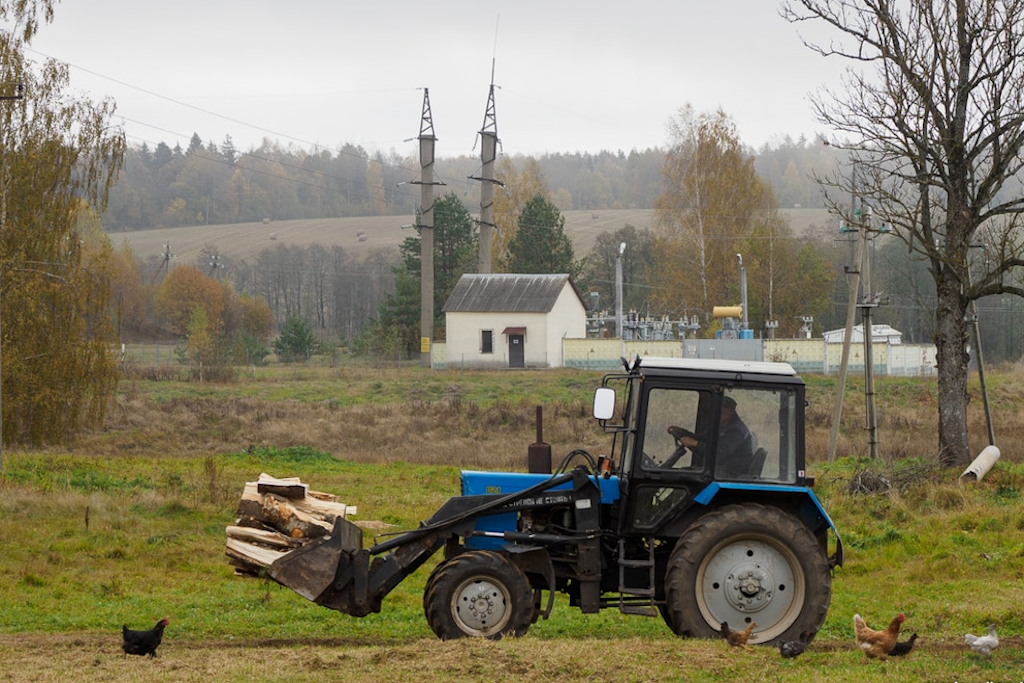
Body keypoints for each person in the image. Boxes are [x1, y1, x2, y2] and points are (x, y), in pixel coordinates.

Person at [668, 395, 754, 477]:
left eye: (724, 410)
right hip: (720, 469)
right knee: (682, 473)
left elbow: (719, 454)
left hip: (731, 473)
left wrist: (696, 444)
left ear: (731, 411)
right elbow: (702, 439)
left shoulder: (736, 431)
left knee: (683, 476)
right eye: (719, 409)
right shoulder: (722, 426)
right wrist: (682, 432)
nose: (720, 412)